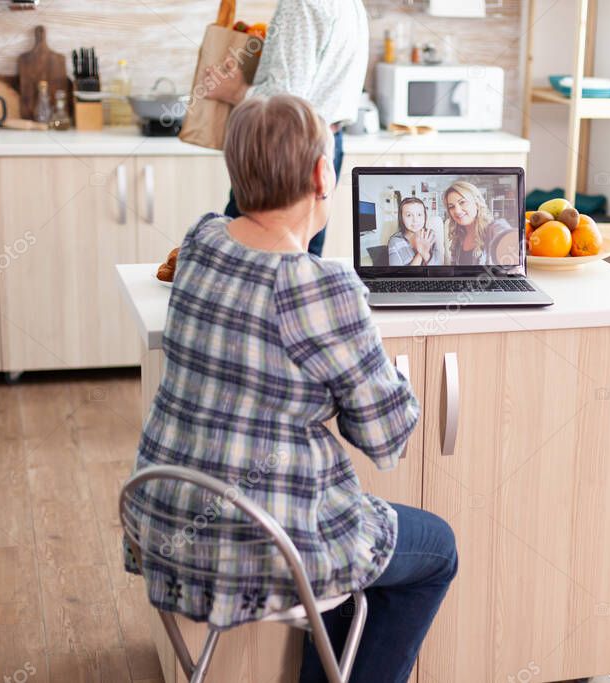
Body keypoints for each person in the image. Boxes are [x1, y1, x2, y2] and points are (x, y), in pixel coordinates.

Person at [124, 96, 456, 683]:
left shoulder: (201, 242)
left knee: (358, 546)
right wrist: (394, 377)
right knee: (436, 550)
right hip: (262, 546)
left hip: (162, 523)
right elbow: (386, 441)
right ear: (321, 175)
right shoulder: (321, 286)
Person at [205, 0, 369, 257]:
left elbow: (284, 101)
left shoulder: (301, 3)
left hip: (288, 148)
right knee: (302, 264)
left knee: (240, 260)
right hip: (326, 142)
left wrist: (235, 90)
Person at [443, 180, 515, 266]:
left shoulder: (493, 228)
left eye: (462, 202)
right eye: (451, 207)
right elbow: (454, 268)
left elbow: (505, 234)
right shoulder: (458, 236)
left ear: (476, 203)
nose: (457, 211)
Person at [387, 197, 443, 266]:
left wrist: (425, 254)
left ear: (425, 216)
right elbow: (397, 275)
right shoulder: (395, 241)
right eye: (409, 215)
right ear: (401, 218)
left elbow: (438, 270)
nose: (415, 220)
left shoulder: (431, 235)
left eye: (419, 215)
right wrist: (420, 254)